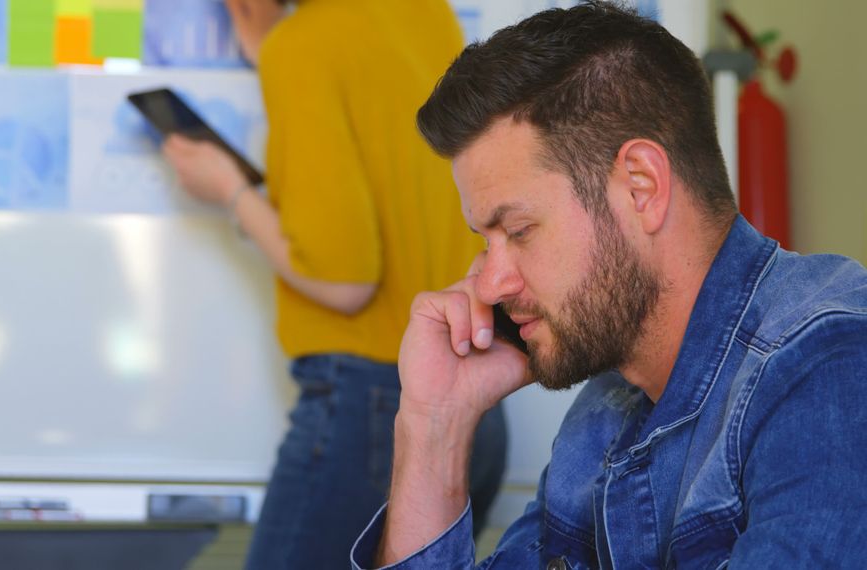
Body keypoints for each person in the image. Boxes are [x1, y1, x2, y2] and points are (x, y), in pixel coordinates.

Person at [350, 2, 867, 569]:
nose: (491, 284)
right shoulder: (606, 410)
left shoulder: (830, 364)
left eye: (519, 230)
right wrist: (434, 424)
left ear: (641, 187)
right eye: (485, 242)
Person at [159, 0, 508, 568]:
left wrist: (230, 190)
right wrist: (274, 52)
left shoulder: (302, 48)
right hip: (473, 394)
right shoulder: (427, 14)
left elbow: (344, 280)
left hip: (369, 412)